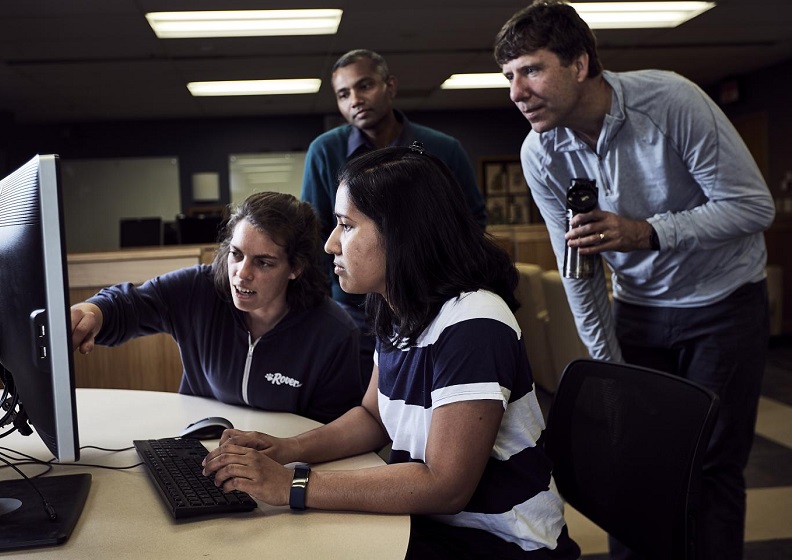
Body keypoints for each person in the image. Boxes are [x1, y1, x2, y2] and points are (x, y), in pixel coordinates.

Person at [493, 2, 776, 558]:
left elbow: (753, 207)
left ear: (579, 64)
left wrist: (646, 232)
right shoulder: (540, 152)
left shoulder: (670, 100)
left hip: (723, 302)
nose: (516, 92)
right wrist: (608, 365)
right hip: (640, 308)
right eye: (508, 77)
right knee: (637, 459)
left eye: (531, 70)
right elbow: (578, 267)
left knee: (712, 462)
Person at [203, 145, 580, 559]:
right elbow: (373, 416)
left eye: (346, 226)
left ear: (400, 232)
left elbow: (445, 485)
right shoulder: (396, 307)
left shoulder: (475, 322)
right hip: (429, 528)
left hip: (501, 545)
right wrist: (288, 450)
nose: (330, 244)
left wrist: (291, 485)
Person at [70, 192, 363, 424]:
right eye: (236, 254)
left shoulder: (333, 333)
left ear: (295, 268)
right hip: (198, 453)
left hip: (282, 469)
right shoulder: (199, 289)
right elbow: (129, 304)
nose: (241, 273)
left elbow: (333, 431)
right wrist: (94, 313)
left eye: (263, 262)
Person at [301, 49, 488, 385]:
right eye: (344, 94)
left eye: (365, 86)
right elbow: (314, 237)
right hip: (353, 304)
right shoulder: (324, 151)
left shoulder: (443, 149)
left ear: (390, 86)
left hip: (431, 300)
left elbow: (471, 224)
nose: (355, 100)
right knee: (363, 401)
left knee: (431, 392)